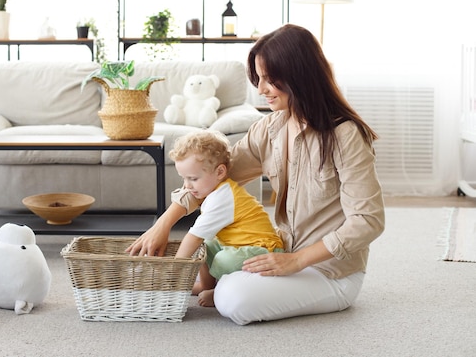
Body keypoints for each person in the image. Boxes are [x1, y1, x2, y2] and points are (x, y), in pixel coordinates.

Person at [126, 24, 385, 325]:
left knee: (233, 299)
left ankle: (231, 288)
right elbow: (215, 176)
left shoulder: (345, 135)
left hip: (332, 272)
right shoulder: (270, 128)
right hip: (280, 256)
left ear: (299, 75)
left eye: (269, 79)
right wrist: (165, 223)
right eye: (258, 79)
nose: (261, 89)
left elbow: (368, 221)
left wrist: (296, 261)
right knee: (225, 275)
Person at [169, 130, 283, 307]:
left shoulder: (222, 197)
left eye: (192, 178)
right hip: (238, 245)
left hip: (263, 250)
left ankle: (219, 292)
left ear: (220, 172)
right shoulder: (215, 192)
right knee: (205, 247)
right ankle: (206, 285)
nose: (187, 185)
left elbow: (193, 237)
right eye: (184, 178)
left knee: (223, 260)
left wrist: (173, 272)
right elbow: (200, 240)